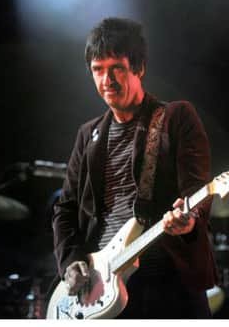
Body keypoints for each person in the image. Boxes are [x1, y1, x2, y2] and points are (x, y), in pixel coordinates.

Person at [52, 17, 217, 318]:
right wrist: (69, 263)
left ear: (139, 68)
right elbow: (65, 209)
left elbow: (196, 191)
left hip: (166, 285)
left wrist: (189, 220)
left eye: (117, 68)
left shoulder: (175, 117)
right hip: (102, 288)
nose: (107, 80)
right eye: (98, 70)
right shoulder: (88, 135)